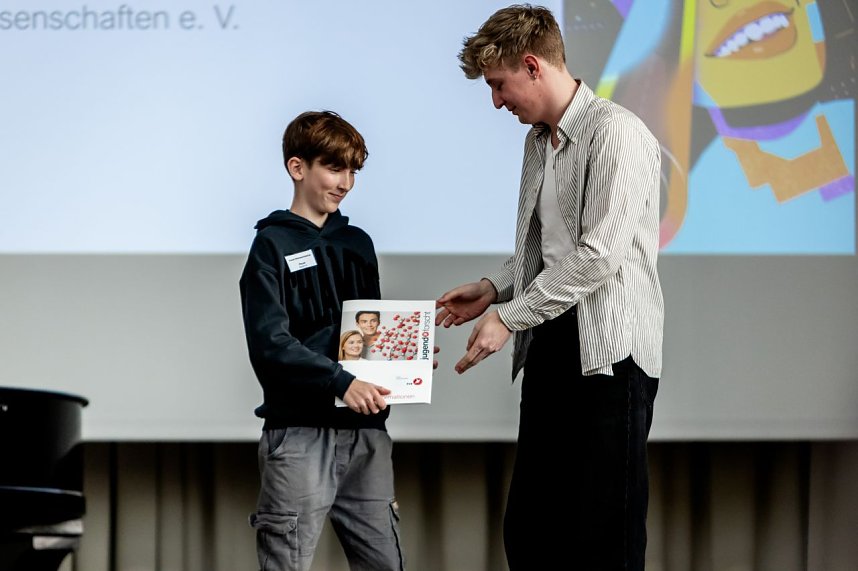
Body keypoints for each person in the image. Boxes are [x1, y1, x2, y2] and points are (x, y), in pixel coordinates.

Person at [436, 5, 664, 570]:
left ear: (533, 66)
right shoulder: (539, 141)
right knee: (532, 531)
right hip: (550, 343)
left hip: (611, 357)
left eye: (498, 85)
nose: (496, 102)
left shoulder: (618, 132)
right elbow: (544, 253)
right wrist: (494, 288)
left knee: (602, 537)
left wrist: (511, 316)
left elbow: (598, 256)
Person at [239, 110, 405, 571]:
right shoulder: (271, 245)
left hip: (366, 435)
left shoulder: (358, 243)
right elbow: (270, 344)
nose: (346, 182)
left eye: (353, 171)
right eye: (335, 168)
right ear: (298, 168)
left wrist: (399, 359)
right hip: (297, 434)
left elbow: (365, 333)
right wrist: (339, 381)